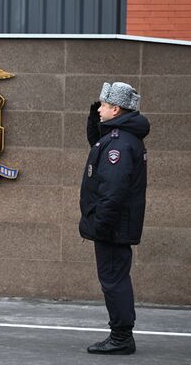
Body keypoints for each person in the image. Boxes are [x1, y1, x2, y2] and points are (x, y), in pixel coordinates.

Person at [79, 82, 150, 355]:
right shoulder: (121, 137)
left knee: (113, 279)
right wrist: (93, 118)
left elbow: (114, 189)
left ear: (116, 109)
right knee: (116, 277)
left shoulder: (118, 145)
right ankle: (121, 335)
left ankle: (121, 338)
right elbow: (97, 143)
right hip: (117, 223)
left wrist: (100, 224)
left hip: (113, 225)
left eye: (104, 105)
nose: (100, 110)